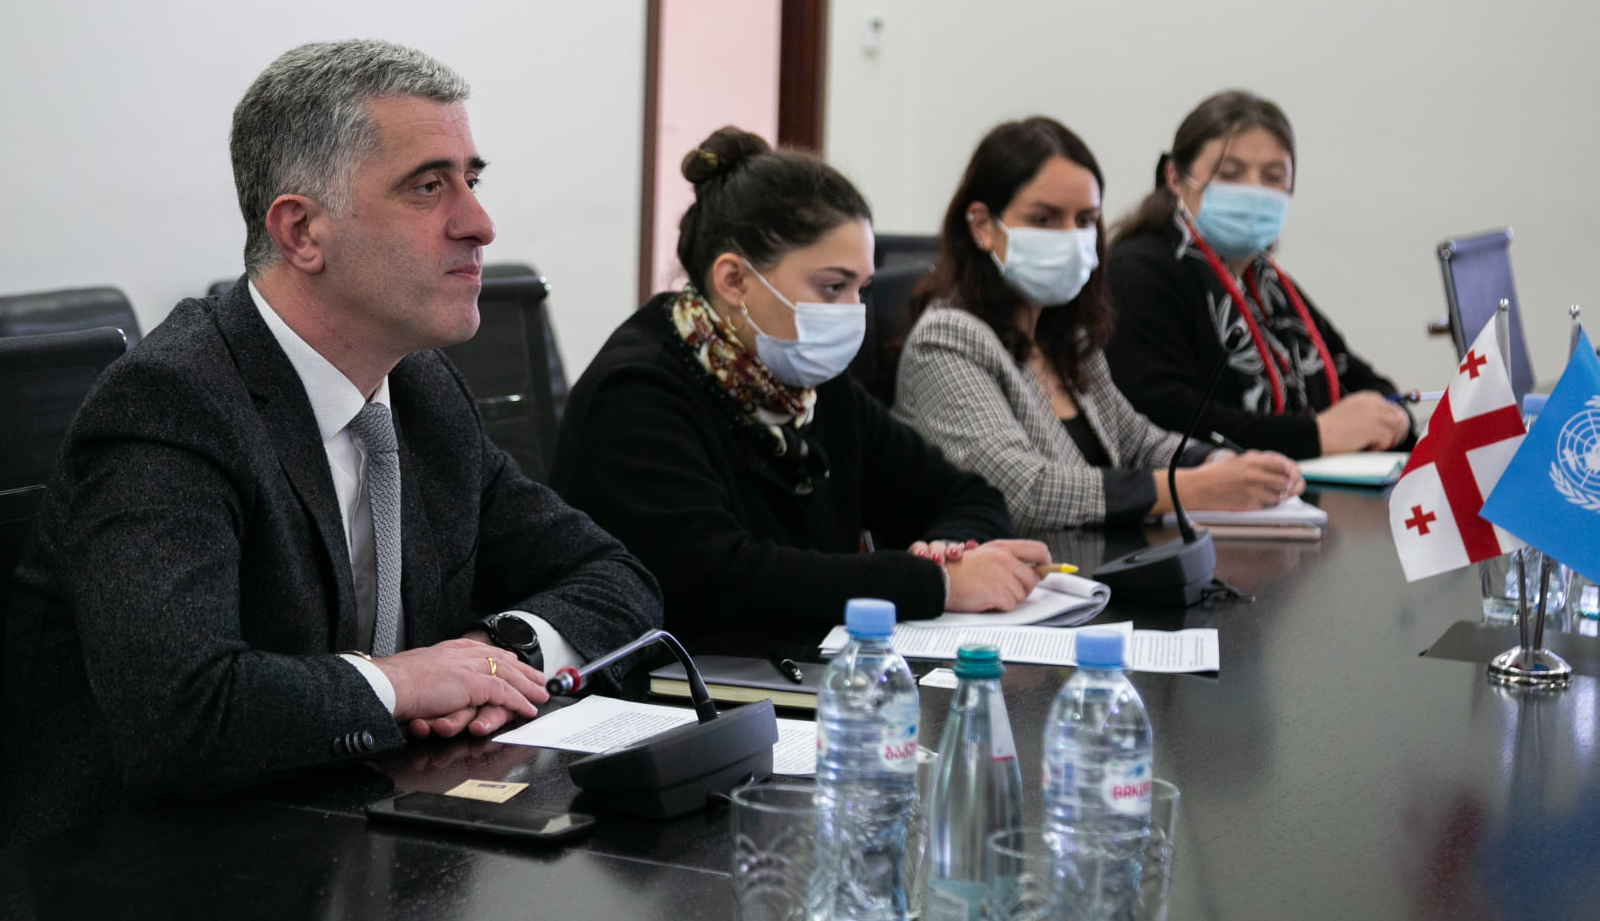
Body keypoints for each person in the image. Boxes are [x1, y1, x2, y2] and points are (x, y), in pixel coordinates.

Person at [0, 41, 661, 844]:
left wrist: (497, 653)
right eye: (428, 187)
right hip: (154, 862)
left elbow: (614, 577)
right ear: (302, 231)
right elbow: (180, 720)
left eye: (471, 181)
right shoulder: (170, 404)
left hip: (365, 824)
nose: (479, 224)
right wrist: (399, 685)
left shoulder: (422, 392)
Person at [549, 127, 1051, 640]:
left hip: (797, 668)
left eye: (861, 289)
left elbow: (965, 495)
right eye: (832, 287)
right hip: (676, 678)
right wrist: (934, 582)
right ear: (734, 280)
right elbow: (714, 581)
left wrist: (951, 552)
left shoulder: (807, 382)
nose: (853, 312)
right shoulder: (636, 395)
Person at [894, 117, 1303, 534]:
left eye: (1085, 220)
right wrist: (1191, 488)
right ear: (982, 226)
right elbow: (1019, 491)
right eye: (1043, 219)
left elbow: (1137, 441)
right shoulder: (947, 340)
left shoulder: (1067, 337)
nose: (1070, 237)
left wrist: (1221, 463)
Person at [1105, 90, 1413, 459]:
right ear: (1174, 177)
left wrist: (1396, 418)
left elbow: (1357, 377)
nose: (1254, 189)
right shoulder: (1137, 272)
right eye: (1230, 174)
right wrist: (1317, 434)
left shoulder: (1269, 284)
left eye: (1273, 177)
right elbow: (1164, 417)